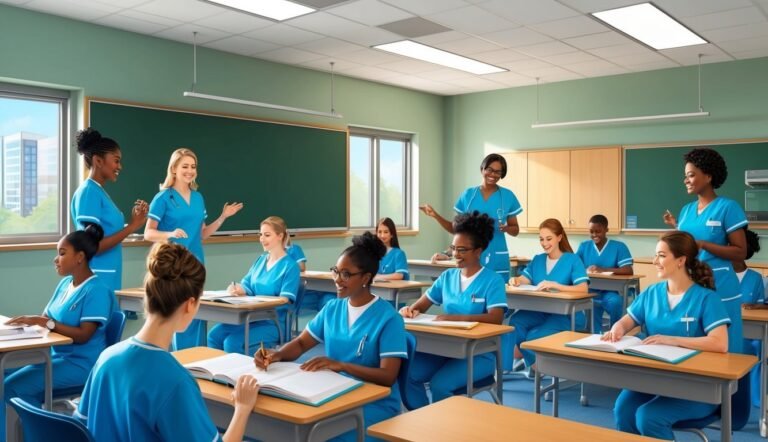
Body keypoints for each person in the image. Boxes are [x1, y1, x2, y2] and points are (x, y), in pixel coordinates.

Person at [76, 242, 259, 442]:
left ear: (147, 295)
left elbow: (81, 426)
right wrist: (242, 409)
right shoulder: (176, 382)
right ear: (190, 305)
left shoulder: (106, 358)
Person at [255, 232, 406, 442]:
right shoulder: (333, 308)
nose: (337, 279)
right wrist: (276, 355)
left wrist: (341, 365)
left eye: (346, 274)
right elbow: (300, 343)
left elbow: (388, 376)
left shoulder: (388, 318)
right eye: (336, 271)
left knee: (322, 435)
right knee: (287, 424)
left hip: (374, 402)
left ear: (366, 277)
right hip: (334, 393)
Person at [607, 231, 730, 440]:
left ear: (681, 260)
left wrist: (672, 340)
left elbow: (720, 343)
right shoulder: (651, 293)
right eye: (655, 255)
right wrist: (618, 328)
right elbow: (628, 320)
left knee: (648, 417)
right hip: (655, 378)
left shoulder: (707, 299)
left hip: (697, 386)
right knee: (623, 410)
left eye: (661, 256)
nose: (655, 261)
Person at [3, 225, 115, 435]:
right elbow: (45, 319)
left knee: (10, 387)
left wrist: (46, 324)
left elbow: (83, 335)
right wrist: (29, 325)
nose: (56, 259)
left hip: (82, 364)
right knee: (3, 374)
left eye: (62, 253)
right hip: (54, 356)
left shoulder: (97, 290)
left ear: (80, 257)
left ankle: (34, 434)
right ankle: (24, 431)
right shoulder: (65, 284)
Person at [400, 211, 507, 408]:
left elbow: (496, 318)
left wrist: (455, 318)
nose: (456, 254)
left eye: (462, 250)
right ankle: (424, 422)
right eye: (453, 248)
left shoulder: (493, 280)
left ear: (478, 250)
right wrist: (409, 310)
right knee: (408, 375)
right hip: (443, 348)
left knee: (440, 385)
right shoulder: (447, 277)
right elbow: (421, 305)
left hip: (478, 354)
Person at [144, 148, 243, 350]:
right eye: (185, 166)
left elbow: (202, 234)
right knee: (176, 317)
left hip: (195, 266)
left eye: (193, 167)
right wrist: (169, 234)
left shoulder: (198, 198)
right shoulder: (163, 198)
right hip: (172, 267)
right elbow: (148, 233)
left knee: (195, 315)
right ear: (174, 169)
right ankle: (180, 362)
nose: (190, 171)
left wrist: (223, 217)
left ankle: (197, 365)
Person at [663, 147, 748, 353]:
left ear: (708, 176)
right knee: (693, 343)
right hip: (691, 286)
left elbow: (740, 252)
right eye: (685, 176)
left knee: (727, 349)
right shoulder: (686, 210)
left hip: (721, 288)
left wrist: (704, 244)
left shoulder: (728, 207)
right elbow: (687, 242)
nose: (686, 180)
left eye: (691, 175)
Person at [420, 153, 522, 280]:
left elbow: (515, 230)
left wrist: (506, 228)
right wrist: (435, 216)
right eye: (489, 169)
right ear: (482, 169)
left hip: (496, 255)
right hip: (471, 257)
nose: (493, 174)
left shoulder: (507, 196)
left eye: (498, 172)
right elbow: (456, 229)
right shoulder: (468, 195)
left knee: (496, 294)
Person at [208, 216, 300, 354]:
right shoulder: (260, 260)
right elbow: (247, 285)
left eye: (267, 235)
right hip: (251, 317)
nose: (262, 239)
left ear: (280, 236)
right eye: (261, 235)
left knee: (232, 342)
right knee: (214, 336)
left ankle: (238, 375)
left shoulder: (290, 266)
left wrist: (260, 301)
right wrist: (237, 288)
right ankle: (216, 374)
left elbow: (285, 299)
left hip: (272, 322)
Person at [71, 127, 148, 292]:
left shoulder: (98, 191)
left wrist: (135, 222)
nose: (119, 166)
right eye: (116, 160)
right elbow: (93, 247)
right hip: (97, 279)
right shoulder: (89, 193)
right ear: (98, 161)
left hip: (107, 278)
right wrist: (132, 227)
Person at [509, 218, 589, 370]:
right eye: (541, 239)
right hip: (540, 311)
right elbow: (525, 278)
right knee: (515, 323)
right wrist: (516, 280)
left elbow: (583, 288)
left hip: (566, 315)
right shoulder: (538, 259)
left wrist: (556, 286)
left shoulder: (572, 260)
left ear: (559, 237)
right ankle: (535, 366)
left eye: (549, 238)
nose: (544, 243)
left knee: (533, 338)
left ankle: (539, 368)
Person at [576, 214, 634, 331]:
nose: (594, 235)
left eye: (598, 231)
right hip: (590, 290)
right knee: (590, 303)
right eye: (591, 232)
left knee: (616, 302)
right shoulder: (584, 246)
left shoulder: (619, 247)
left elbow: (628, 270)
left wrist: (603, 269)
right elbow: (574, 266)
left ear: (606, 230)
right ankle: (595, 334)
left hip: (611, 292)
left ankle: (615, 330)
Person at [736, 229, 764, 407]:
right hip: (724, 331)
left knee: (761, 346)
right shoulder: (719, 276)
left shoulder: (755, 278)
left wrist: (758, 306)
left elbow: (760, 308)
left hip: (749, 333)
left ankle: (757, 398)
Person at [375, 217, 409, 281]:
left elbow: (399, 275)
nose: (382, 235)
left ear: (392, 234)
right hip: (378, 289)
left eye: (386, 232)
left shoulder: (399, 254)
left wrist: (378, 277)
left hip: (396, 290)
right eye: (379, 232)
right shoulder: (374, 253)